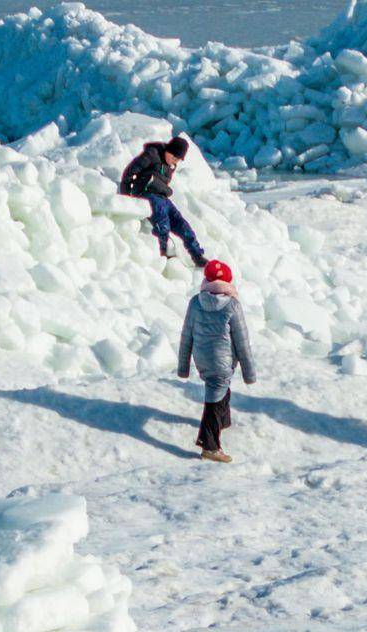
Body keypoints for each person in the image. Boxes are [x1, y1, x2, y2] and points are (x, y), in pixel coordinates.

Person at [177, 260, 255, 463]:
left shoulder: (195, 302)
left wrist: (184, 367)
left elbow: (187, 335)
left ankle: (223, 420)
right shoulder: (232, 305)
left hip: (202, 357)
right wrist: (249, 372)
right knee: (216, 393)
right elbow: (242, 341)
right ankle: (209, 445)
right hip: (222, 360)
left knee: (219, 386)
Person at [120, 136, 208, 267]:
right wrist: (126, 195)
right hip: (147, 193)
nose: (175, 162)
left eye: (178, 160)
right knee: (163, 223)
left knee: (183, 225)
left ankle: (197, 256)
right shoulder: (151, 154)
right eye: (174, 157)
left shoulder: (170, 165)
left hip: (162, 197)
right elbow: (129, 171)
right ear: (169, 150)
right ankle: (162, 254)